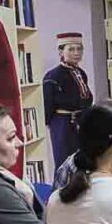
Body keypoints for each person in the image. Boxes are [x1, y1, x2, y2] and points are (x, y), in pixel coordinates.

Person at [43, 32, 94, 168]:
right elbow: (48, 104)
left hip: (80, 122)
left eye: (79, 49)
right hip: (62, 124)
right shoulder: (53, 76)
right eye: (71, 49)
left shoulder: (81, 73)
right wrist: (52, 123)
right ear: (61, 52)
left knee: (81, 161)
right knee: (64, 161)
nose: (76, 53)